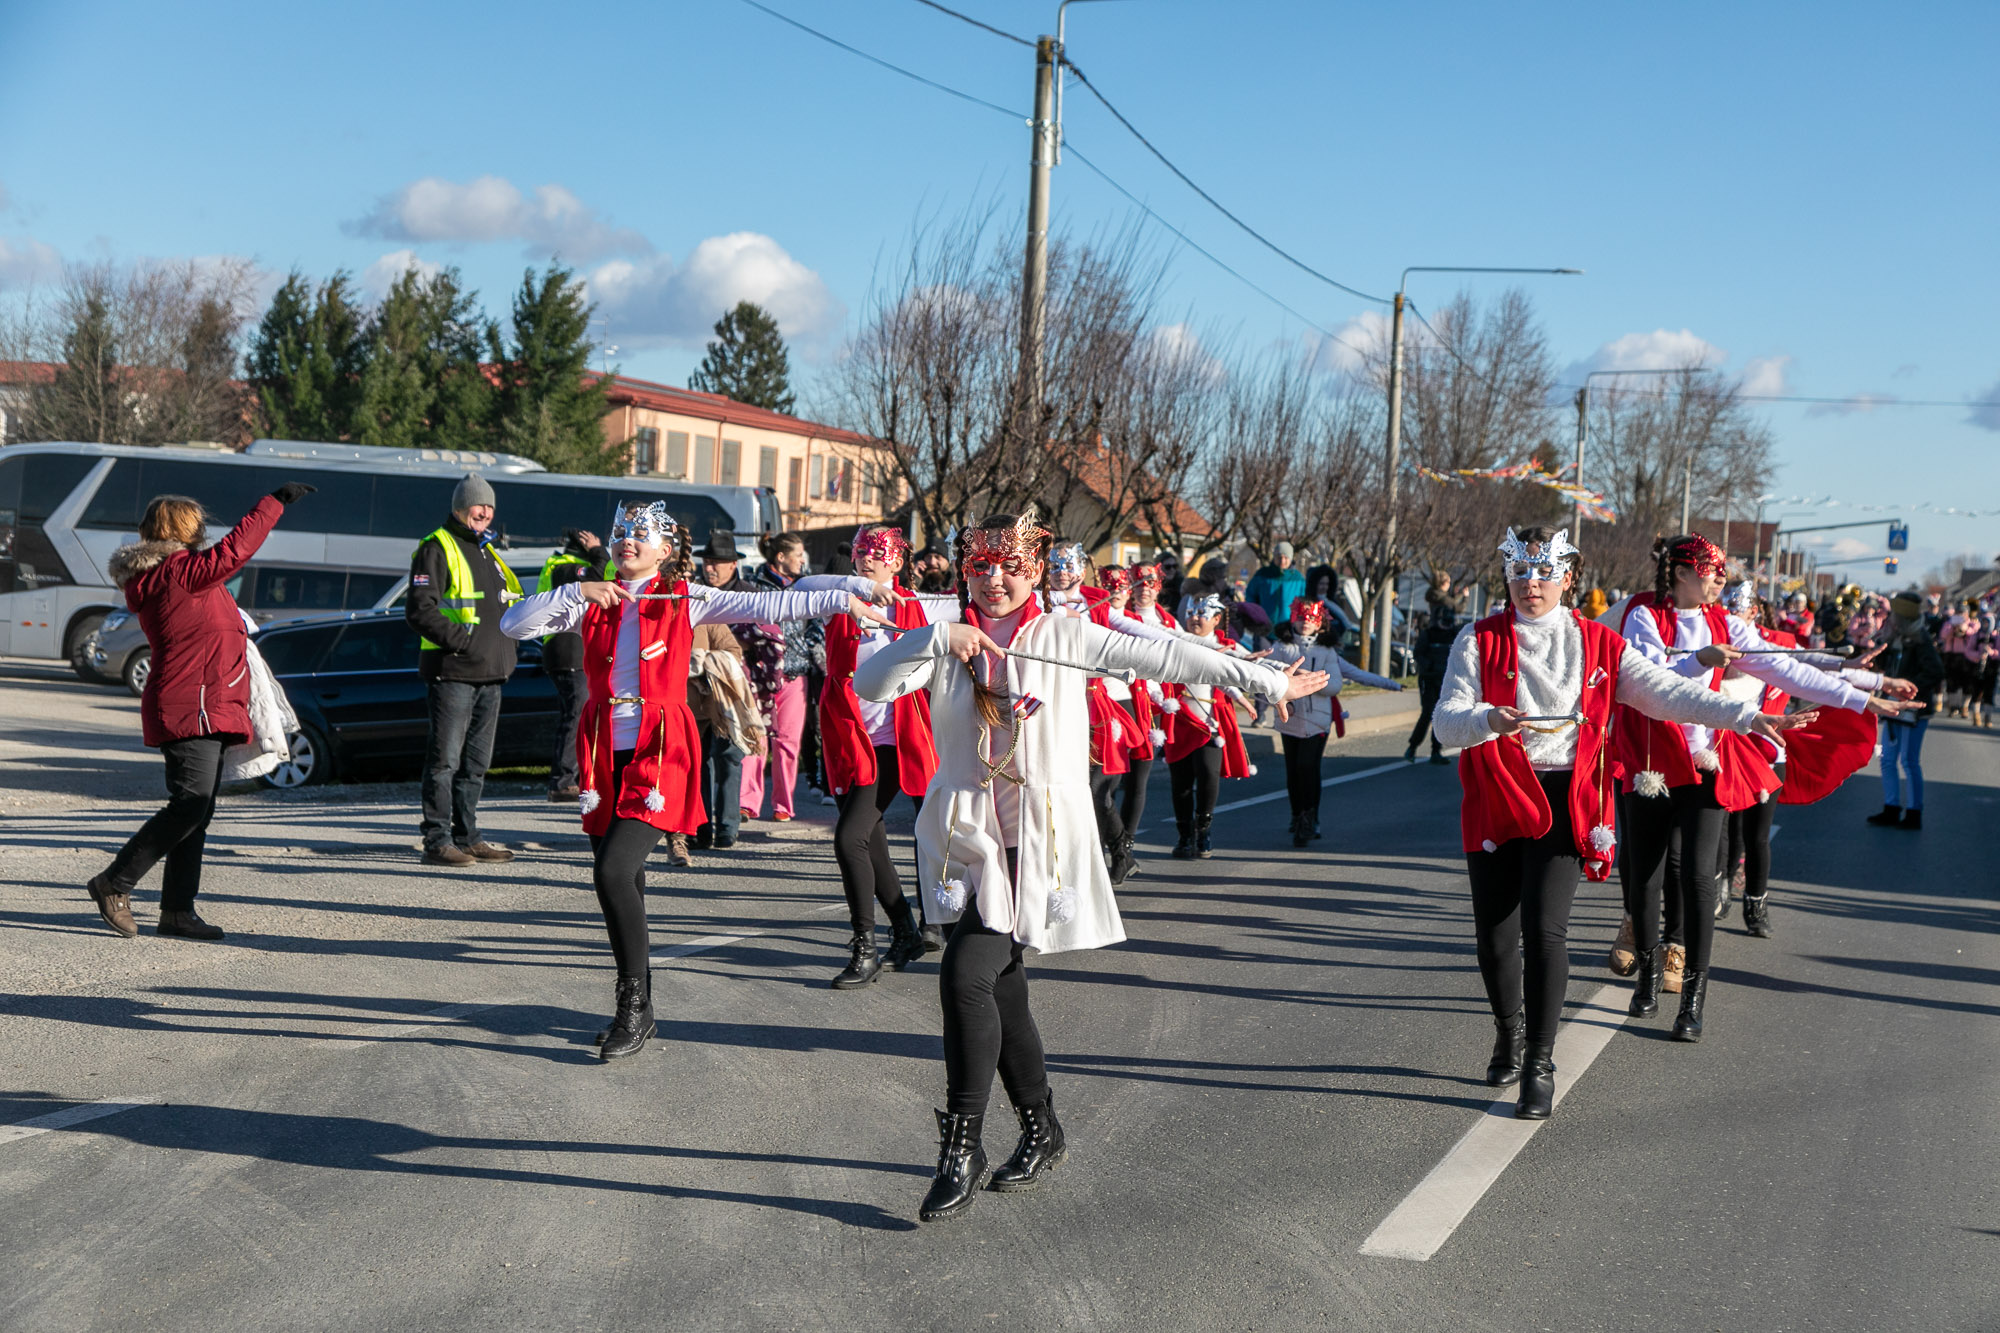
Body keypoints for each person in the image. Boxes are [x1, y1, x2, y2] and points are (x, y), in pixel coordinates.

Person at [853, 508, 1326, 1220]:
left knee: (966, 974)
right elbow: (870, 684)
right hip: (969, 841)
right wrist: (934, 637)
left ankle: (962, 1146)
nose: (995, 580)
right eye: (981, 566)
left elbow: (1169, 656)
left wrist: (1262, 681)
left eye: (1011, 566)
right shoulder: (947, 636)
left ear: (1036, 569)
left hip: (1037, 841)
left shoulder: (1065, 634)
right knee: (1000, 988)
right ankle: (1041, 1127)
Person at [1431, 525, 1812, 1116]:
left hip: (1567, 797)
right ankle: (1509, 1031)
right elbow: (1446, 722)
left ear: (1567, 578)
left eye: (1545, 572)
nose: (1532, 584)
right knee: (1496, 936)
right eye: (1521, 572)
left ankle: (1539, 1063)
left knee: (1546, 930)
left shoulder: (1597, 642)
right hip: (1498, 790)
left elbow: (1667, 692)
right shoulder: (1478, 639)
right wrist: (1486, 719)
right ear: (1506, 575)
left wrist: (1743, 716)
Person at [499, 500, 887, 1059]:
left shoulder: (685, 597)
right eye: (620, 532)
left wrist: (848, 594)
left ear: (663, 550)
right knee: (625, 881)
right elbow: (513, 624)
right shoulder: (591, 599)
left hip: (661, 748)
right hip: (603, 748)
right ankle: (641, 1010)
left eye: (640, 534)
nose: (626, 541)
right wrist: (577, 591)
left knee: (612, 871)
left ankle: (632, 1005)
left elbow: (769, 604)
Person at [1614, 534, 1912, 1041]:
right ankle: (1647, 975)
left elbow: (1787, 667)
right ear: (1682, 573)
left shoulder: (1725, 623)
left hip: (1704, 761)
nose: (1719, 580)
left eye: (1721, 573)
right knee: (1644, 876)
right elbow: (1650, 684)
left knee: (1699, 877)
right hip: (1650, 763)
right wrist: (1700, 660)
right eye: (1710, 571)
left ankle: (1692, 999)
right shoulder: (1643, 616)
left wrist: (1866, 697)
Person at [87, 482, 314, 939]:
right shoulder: (178, 572)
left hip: (202, 703)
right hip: (191, 706)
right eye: (196, 523)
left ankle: (177, 911)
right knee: (189, 806)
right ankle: (114, 882)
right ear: (178, 530)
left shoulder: (179, 576)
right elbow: (236, 549)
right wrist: (273, 504)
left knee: (197, 811)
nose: (203, 529)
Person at [819, 524, 949, 986]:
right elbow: (798, 588)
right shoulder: (838, 599)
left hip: (895, 740)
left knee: (849, 838)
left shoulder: (918, 606)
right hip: (848, 738)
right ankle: (905, 931)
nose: (866, 558)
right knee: (870, 842)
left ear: (897, 560)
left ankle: (865, 947)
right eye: (861, 551)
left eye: (877, 552)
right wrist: (850, 590)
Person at [406, 473, 521, 867]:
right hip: (454, 672)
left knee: (475, 765)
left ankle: (468, 837)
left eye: (489, 506)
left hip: (491, 674)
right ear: (459, 507)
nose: (484, 512)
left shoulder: (488, 551)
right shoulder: (437, 546)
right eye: (477, 504)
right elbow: (419, 610)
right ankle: (437, 841)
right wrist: (465, 642)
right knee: (444, 762)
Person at [1268, 595, 1402, 845]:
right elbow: (1266, 677)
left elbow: (1337, 683)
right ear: (1293, 618)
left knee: (1308, 767)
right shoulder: (1281, 648)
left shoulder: (1326, 651)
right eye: (1301, 616)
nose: (1306, 622)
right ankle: (1297, 815)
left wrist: (1311, 682)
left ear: (1320, 623)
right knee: (1293, 771)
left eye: (1312, 618)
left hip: (1317, 720)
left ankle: (1310, 818)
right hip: (1290, 718)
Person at [744, 532, 815, 822]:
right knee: (755, 737)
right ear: (781, 557)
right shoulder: (754, 585)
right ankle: (747, 802)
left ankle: (783, 805)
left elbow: (818, 623)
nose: (802, 561)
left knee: (787, 741)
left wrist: (809, 648)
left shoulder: (806, 587)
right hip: (761, 673)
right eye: (798, 555)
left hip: (794, 674)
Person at [536, 528, 608, 802]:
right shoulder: (565, 568)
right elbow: (599, 575)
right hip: (567, 652)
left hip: (571, 651)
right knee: (575, 717)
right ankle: (562, 781)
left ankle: (572, 778)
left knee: (577, 716)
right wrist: (597, 550)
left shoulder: (561, 566)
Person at [1866, 590, 1946, 830]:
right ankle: (1891, 808)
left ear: (1902, 616)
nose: (1890, 618)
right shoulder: (1895, 636)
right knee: (1887, 759)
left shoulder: (1920, 639)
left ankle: (1914, 812)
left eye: (1894, 614)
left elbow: (1935, 671)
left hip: (1914, 710)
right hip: (1893, 706)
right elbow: (1881, 665)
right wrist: (1882, 641)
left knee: (1909, 761)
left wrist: (1908, 689)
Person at [1406, 587, 1461, 764]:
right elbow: (1418, 654)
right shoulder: (1428, 634)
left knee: (1441, 714)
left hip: (1446, 680)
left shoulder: (1454, 635)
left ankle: (1436, 751)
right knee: (1427, 713)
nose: (1445, 625)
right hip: (1429, 679)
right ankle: (1412, 747)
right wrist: (1428, 666)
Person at [1245, 541, 1306, 638]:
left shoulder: (1298, 579)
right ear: (1274, 557)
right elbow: (1250, 596)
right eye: (1279, 557)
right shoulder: (1262, 574)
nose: (1282, 561)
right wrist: (1255, 615)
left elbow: (1304, 603)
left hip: (1288, 630)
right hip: (1263, 629)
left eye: (1286, 558)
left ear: (1291, 559)